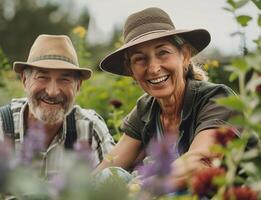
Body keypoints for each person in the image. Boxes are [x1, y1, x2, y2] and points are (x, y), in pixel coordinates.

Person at [95, 7, 239, 191]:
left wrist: (140, 188)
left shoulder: (216, 98)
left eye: (163, 52)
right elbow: (108, 165)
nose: (154, 68)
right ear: (131, 71)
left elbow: (199, 162)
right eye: (140, 59)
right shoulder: (145, 108)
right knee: (108, 177)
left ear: (184, 55)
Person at [0, 34, 115, 177]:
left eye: (64, 79)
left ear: (78, 86)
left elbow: (112, 183)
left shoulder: (90, 129)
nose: (52, 92)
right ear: (24, 80)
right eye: (42, 77)